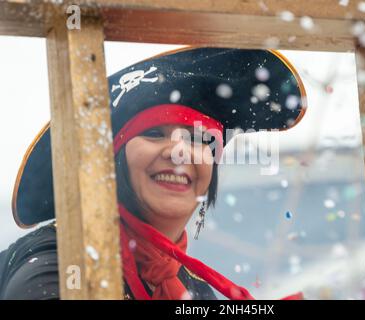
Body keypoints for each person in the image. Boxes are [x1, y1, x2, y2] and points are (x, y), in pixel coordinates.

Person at [0, 47, 307, 300]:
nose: (178, 152)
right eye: (154, 133)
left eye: (197, 139)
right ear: (114, 163)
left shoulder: (195, 291)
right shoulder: (59, 259)